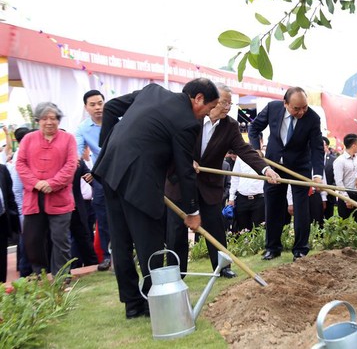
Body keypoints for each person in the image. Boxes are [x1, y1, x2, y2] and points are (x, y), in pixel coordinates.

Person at [92, 79, 219, 319]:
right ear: (199, 98)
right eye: (209, 107)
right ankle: (155, 300)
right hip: (139, 179)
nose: (208, 113)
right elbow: (185, 172)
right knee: (149, 241)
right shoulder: (187, 122)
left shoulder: (152, 92)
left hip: (110, 169)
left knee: (120, 241)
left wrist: (107, 146)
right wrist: (192, 212)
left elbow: (111, 109)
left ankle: (132, 304)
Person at [165, 84, 277, 277]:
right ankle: (176, 273)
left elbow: (244, 149)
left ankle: (222, 268)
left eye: (229, 104)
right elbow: (170, 143)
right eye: (223, 102)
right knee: (176, 230)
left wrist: (265, 169)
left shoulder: (230, 126)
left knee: (215, 227)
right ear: (212, 101)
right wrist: (184, 160)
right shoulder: (190, 117)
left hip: (209, 186)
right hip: (180, 182)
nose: (226, 107)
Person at [248, 87, 324, 262]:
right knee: (273, 206)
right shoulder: (272, 108)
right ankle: (272, 248)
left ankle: (300, 250)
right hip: (274, 165)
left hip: (299, 167)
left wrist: (318, 174)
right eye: (296, 108)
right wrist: (256, 149)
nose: (301, 112)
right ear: (285, 104)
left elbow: (317, 148)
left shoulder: (313, 118)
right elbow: (254, 128)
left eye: (304, 107)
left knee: (301, 208)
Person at [16, 102, 78, 276]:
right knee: (33, 240)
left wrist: (52, 183)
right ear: (38, 121)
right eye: (44, 118)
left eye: (53, 118)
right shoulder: (28, 139)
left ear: (58, 120)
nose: (49, 122)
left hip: (59, 197)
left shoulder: (68, 139)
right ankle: (40, 275)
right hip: (33, 198)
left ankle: (62, 277)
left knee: (60, 239)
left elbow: (71, 164)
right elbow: (20, 164)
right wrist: (35, 182)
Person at [75, 90, 112, 271]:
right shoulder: (83, 128)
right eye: (93, 104)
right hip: (101, 178)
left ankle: (131, 252)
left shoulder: (117, 121)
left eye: (100, 103)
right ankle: (107, 256)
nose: (98, 107)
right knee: (103, 218)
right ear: (86, 108)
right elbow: (76, 153)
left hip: (124, 175)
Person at [8, 127, 34, 277]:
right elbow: (17, 191)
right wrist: (21, 215)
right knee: (27, 245)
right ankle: (25, 275)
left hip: (37, 208)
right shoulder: (20, 158)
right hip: (27, 209)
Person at [228, 151, 268, 233]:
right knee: (242, 229)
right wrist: (231, 198)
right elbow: (235, 177)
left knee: (258, 228)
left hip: (259, 199)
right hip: (242, 198)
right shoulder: (240, 158)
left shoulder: (263, 158)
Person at [333, 133, 357, 221]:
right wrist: (346, 199)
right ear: (353, 145)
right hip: (345, 195)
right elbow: (339, 182)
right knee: (345, 225)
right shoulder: (340, 161)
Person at [0, 162, 19, 283]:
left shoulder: (2, 170)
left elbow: (10, 197)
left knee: (1, 260)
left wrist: (15, 222)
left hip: (1, 220)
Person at [322, 137, 337, 220]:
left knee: (329, 218)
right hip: (316, 194)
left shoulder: (333, 160)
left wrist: (332, 188)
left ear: (327, 146)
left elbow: (336, 177)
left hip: (330, 194)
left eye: (322, 145)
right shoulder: (310, 160)